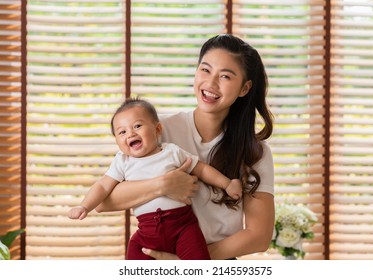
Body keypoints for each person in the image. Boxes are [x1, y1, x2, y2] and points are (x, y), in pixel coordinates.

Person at [96, 34, 275, 260]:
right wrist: (162, 184)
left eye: (226, 76)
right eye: (205, 70)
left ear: (244, 88)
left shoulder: (255, 152)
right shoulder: (158, 130)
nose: (210, 84)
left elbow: (259, 236)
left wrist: (188, 261)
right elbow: (104, 201)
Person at [68, 97, 243, 260]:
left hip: (183, 227)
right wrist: (84, 205)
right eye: (121, 132)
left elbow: (202, 169)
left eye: (137, 126)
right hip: (147, 232)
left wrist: (227, 184)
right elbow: (103, 187)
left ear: (157, 129)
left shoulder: (171, 152)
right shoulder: (122, 162)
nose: (130, 134)